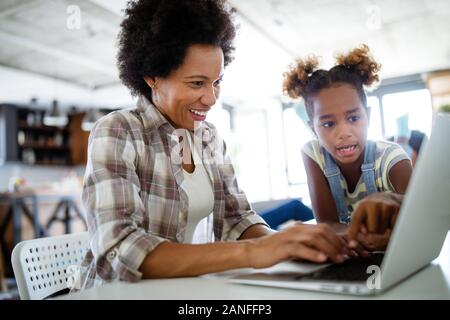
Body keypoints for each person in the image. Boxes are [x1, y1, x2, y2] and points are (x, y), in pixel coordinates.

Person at [78, 0, 350, 289]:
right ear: (152, 77)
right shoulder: (118, 131)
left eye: (216, 82)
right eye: (197, 83)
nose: (211, 98)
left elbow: (237, 219)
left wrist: (292, 244)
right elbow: (121, 249)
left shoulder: (208, 138)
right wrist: (254, 253)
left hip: (181, 291)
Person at [282, 45, 413, 252]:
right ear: (312, 129)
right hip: (352, 260)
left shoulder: (392, 157)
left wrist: (395, 202)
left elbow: (421, 216)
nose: (344, 132)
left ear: (367, 116)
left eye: (353, 118)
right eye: (328, 124)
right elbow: (327, 224)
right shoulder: (313, 154)